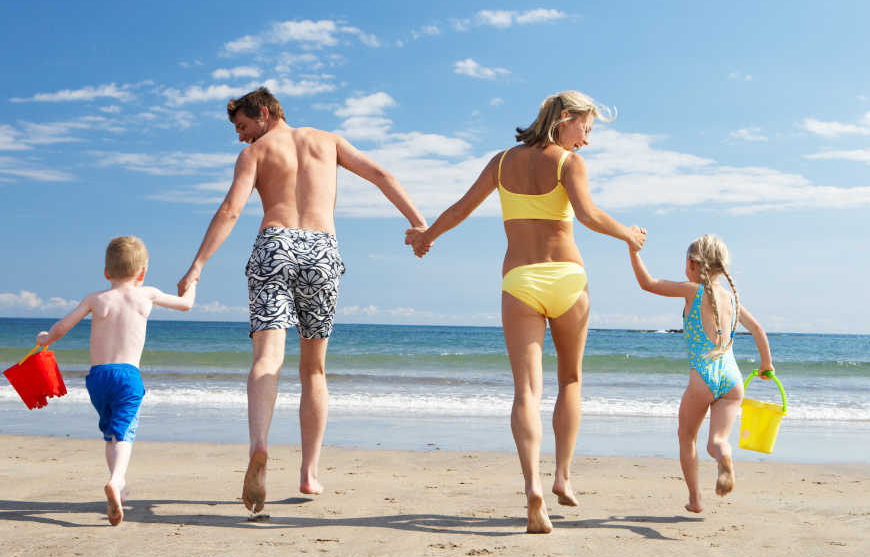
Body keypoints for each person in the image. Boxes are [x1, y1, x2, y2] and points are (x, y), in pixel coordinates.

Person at [177, 87, 428, 514]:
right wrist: (419, 224)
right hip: (322, 250)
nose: (240, 137)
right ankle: (310, 473)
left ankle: (259, 446)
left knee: (267, 358)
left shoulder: (256, 154)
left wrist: (198, 264)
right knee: (313, 367)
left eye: (242, 127)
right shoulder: (327, 141)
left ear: (263, 112)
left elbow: (231, 211)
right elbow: (382, 174)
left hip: (274, 245)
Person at [407, 91, 647, 534]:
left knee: (526, 393)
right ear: (566, 118)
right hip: (567, 278)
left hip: (520, 281)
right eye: (586, 129)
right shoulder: (568, 164)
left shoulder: (502, 162)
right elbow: (589, 215)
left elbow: (461, 209)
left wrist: (427, 235)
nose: (587, 141)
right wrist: (629, 236)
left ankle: (533, 487)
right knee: (571, 379)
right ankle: (562, 476)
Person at [35, 236, 196, 525]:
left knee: (110, 432)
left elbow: (61, 327)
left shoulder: (96, 299)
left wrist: (46, 339)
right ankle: (116, 481)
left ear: (106, 272)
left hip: (97, 379)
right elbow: (186, 305)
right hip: (128, 377)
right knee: (125, 432)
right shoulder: (146, 294)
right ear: (142, 273)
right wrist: (193, 282)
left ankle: (119, 486)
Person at [628, 234, 774, 513]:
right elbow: (759, 330)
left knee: (687, 437)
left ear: (693, 263)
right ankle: (725, 458)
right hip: (732, 379)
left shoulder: (692, 290)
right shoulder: (731, 298)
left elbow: (647, 283)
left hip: (703, 377)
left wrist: (633, 251)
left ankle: (695, 499)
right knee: (717, 441)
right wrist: (766, 365)